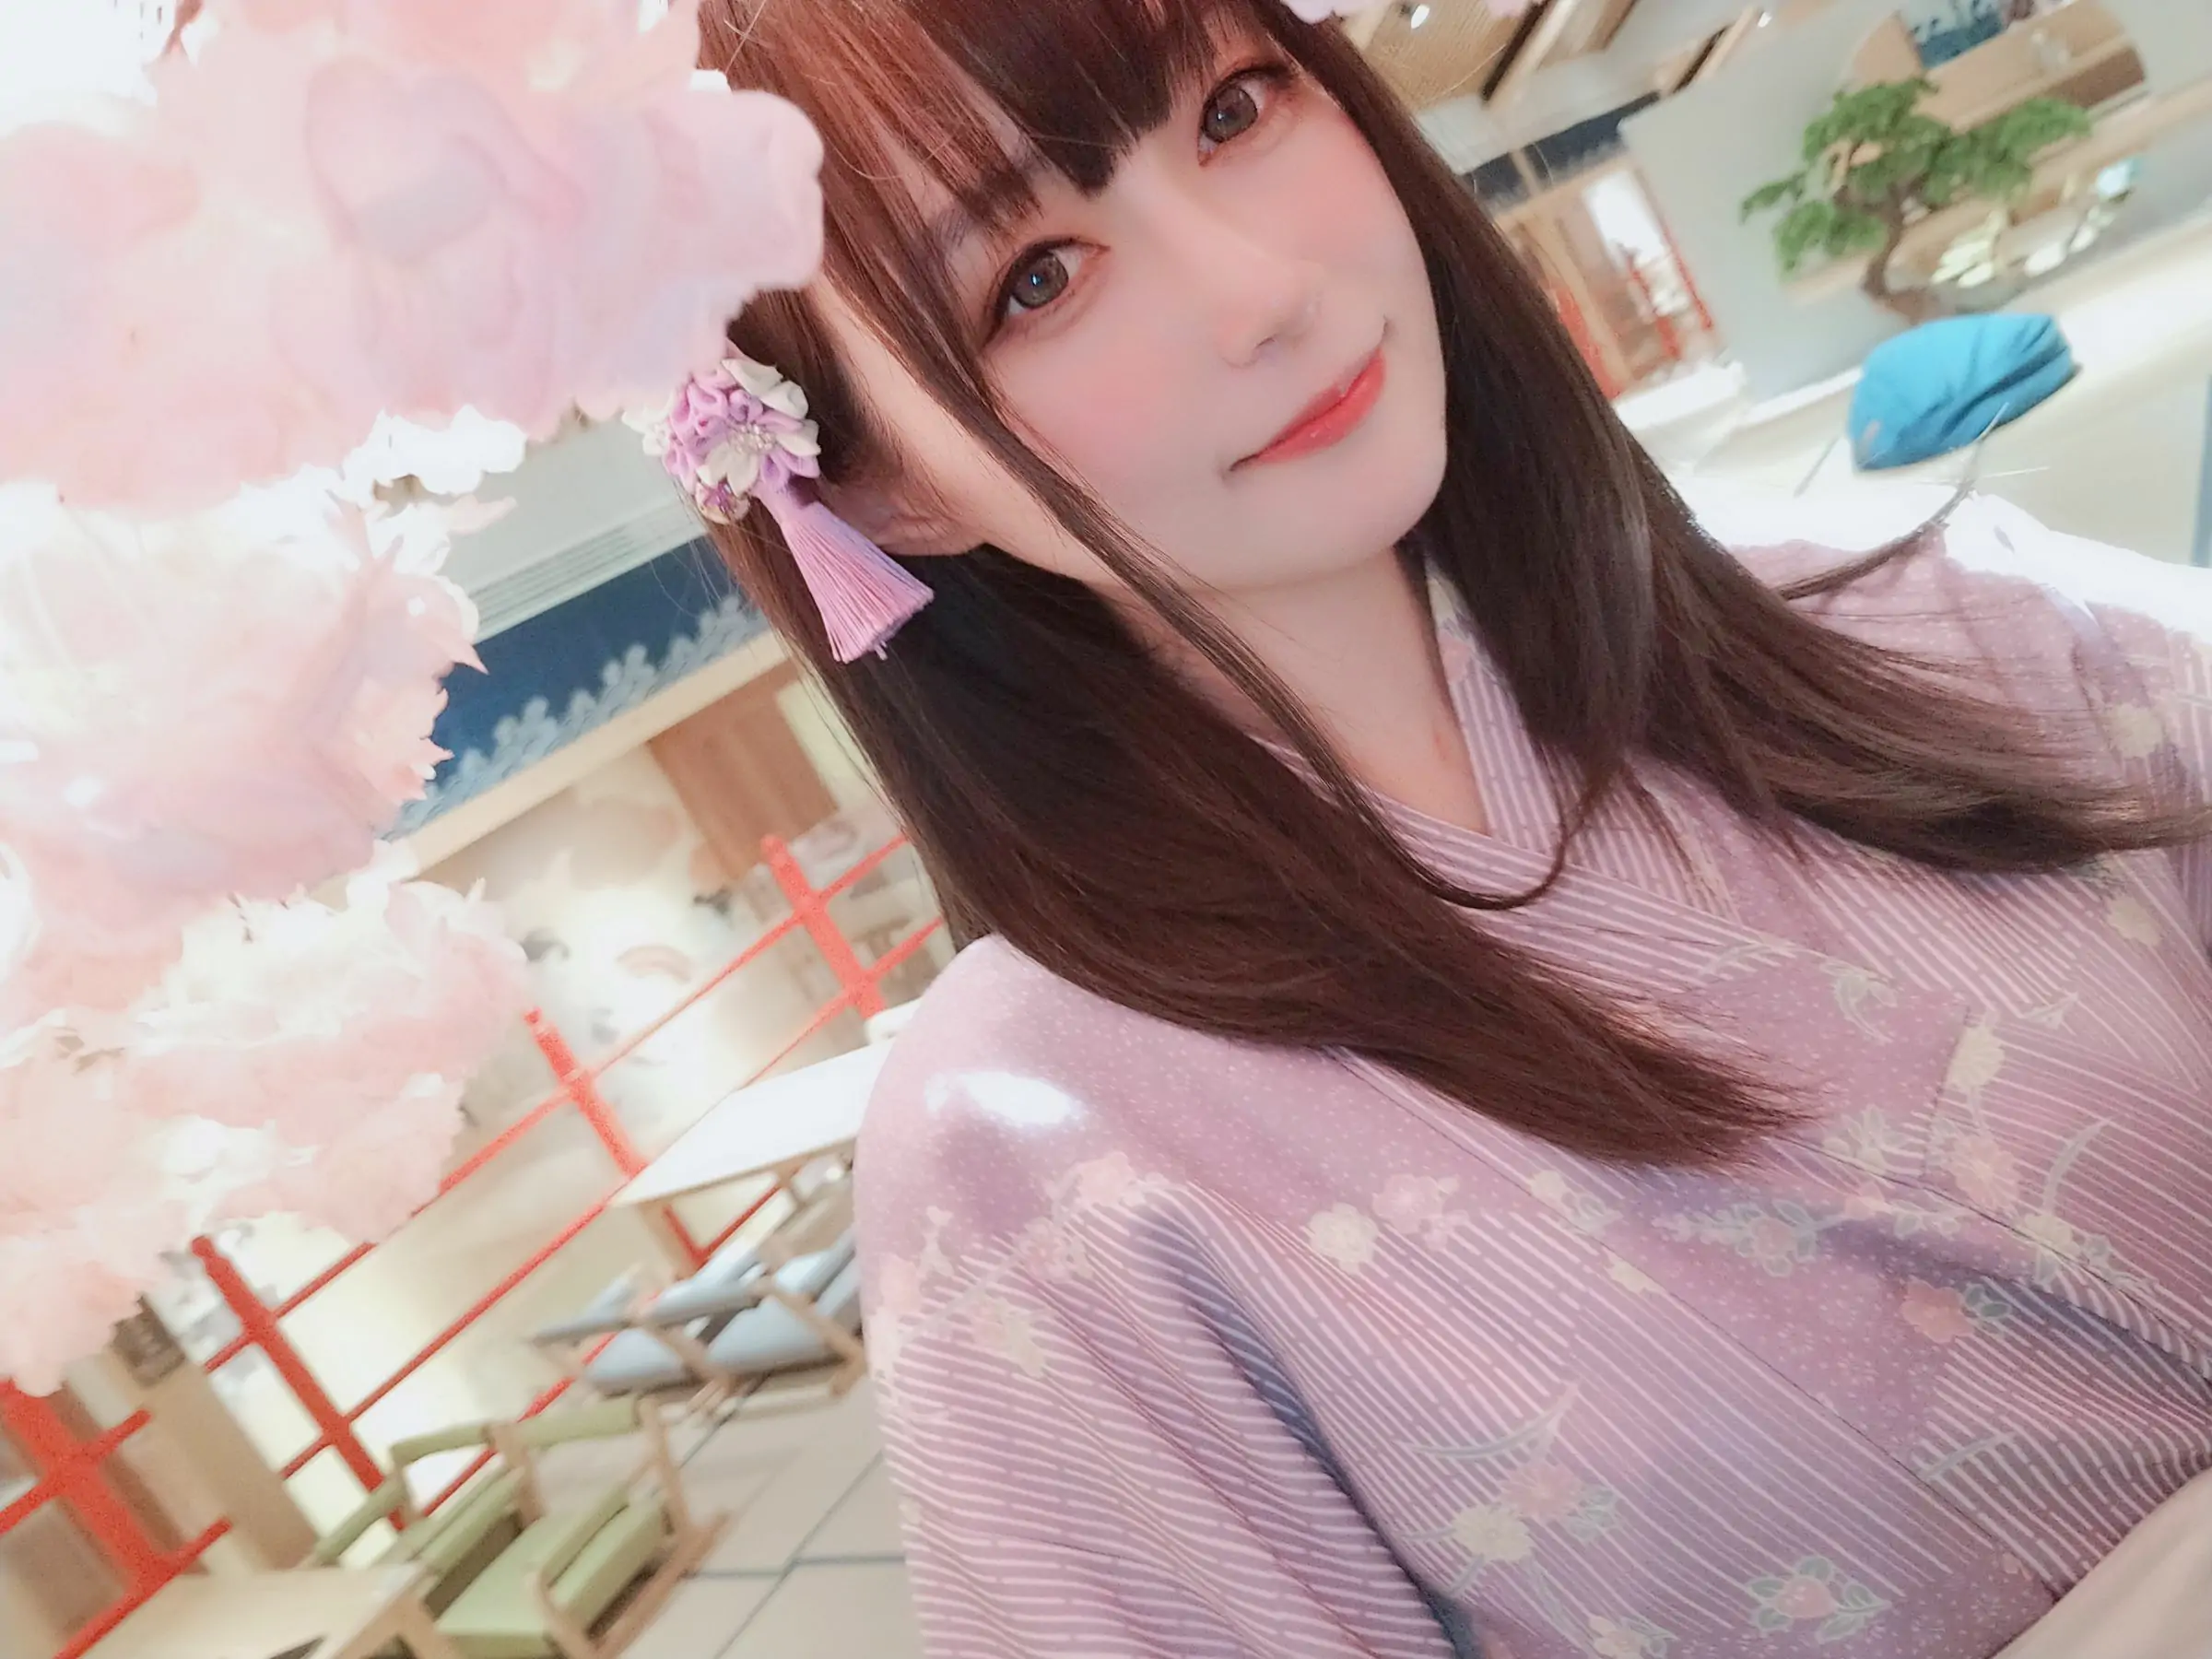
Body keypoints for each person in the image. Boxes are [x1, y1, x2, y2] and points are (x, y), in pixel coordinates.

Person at [653, 1, 2212, 1653]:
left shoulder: (1948, 614)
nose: (1262, 289)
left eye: (1236, 109)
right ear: (879, 488)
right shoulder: (1028, 1151)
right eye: (1035, 279)